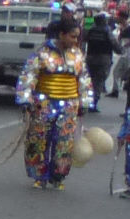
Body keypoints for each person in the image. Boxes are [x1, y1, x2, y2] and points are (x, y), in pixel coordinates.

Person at [14, 14, 93, 190]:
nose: (75, 40)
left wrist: (85, 102)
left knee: (64, 142)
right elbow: (29, 76)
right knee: (38, 139)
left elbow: (84, 80)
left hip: (70, 105)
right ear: (61, 34)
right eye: (73, 36)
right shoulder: (42, 53)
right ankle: (39, 176)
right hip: (44, 104)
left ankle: (59, 176)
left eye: (77, 37)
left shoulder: (78, 55)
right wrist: (25, 99)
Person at [85, 11, 121, 100]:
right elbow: (114, 43)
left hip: (90, 57)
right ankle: (95, 99)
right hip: (103, 58)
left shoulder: (91, 30)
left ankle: (89, 96)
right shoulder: (106, 30)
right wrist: (120, 51)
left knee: (91, 79)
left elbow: (84, 39)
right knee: (100, 79)